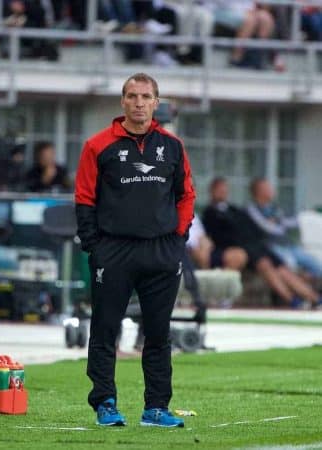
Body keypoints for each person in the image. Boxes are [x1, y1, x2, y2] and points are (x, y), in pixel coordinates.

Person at [75, 72, 195, 427]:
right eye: (132, 96)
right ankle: (105, 404)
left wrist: (178, 239)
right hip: (113, 251)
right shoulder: (97, 145)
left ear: (157, 103)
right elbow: (84, 198)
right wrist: (94, 246)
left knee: (158, 333)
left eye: (145, 96)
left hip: (161, 251)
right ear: (122, 101)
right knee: (104, 329)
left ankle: (156, 408)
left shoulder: (172, 146)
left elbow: (186, 195)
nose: (138, 103)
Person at [203, 177, 321, 309]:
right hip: (242, 249)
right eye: (219, 190)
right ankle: (292, 300)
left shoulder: (235, 210)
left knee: (283, 269)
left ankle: (314, 298)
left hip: (257, 246)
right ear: (212, 191)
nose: (223, 192)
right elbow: (219, 236)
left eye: (224, 189)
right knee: (266, 266)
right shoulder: (210, 213)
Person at [246, 177, 322, 278]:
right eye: (268, 188)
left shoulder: (275, 207)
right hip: (271, 246)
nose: (272, 190)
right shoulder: (251, 209)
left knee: (316, 266)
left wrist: (278, 222)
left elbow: (295, 222)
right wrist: (279, 224)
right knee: (290, 265)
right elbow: (266, 227)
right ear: (259, 191)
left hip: (289, 245)